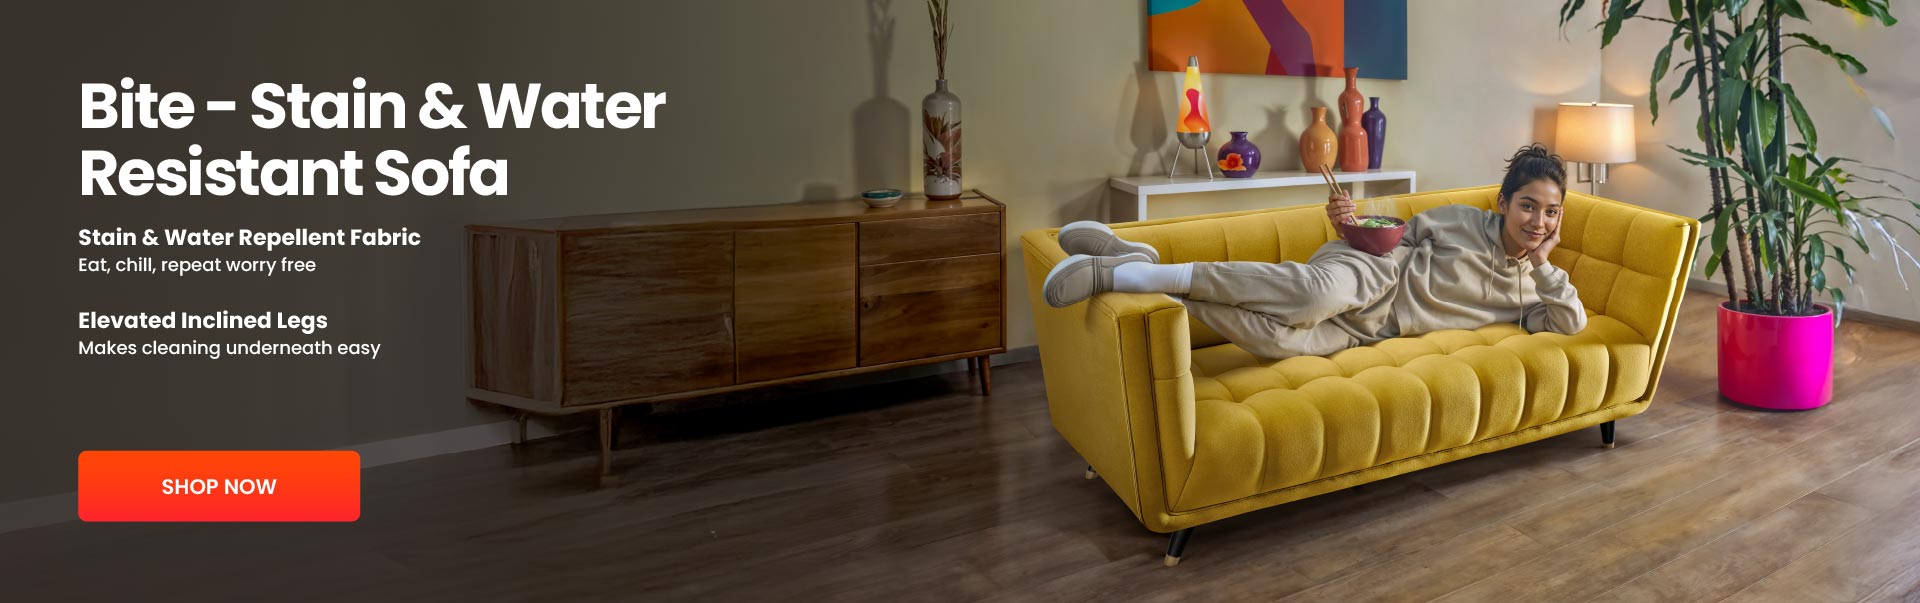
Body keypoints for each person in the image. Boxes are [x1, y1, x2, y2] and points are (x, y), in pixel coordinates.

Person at [1043, 143, 1586, 359]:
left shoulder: (1534, 290)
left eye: (1550, 211)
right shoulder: (1465, 221)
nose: (1538, 221)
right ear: (1503, 203)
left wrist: (1542, 265)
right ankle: (1113, 277)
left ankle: (1142, 267)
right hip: (1372, 272)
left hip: (1371, 330)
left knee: (1278, 340)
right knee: (1309, 297)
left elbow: (1570, 323)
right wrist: (1348, 224)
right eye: (1527, 206)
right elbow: (1391, 234)